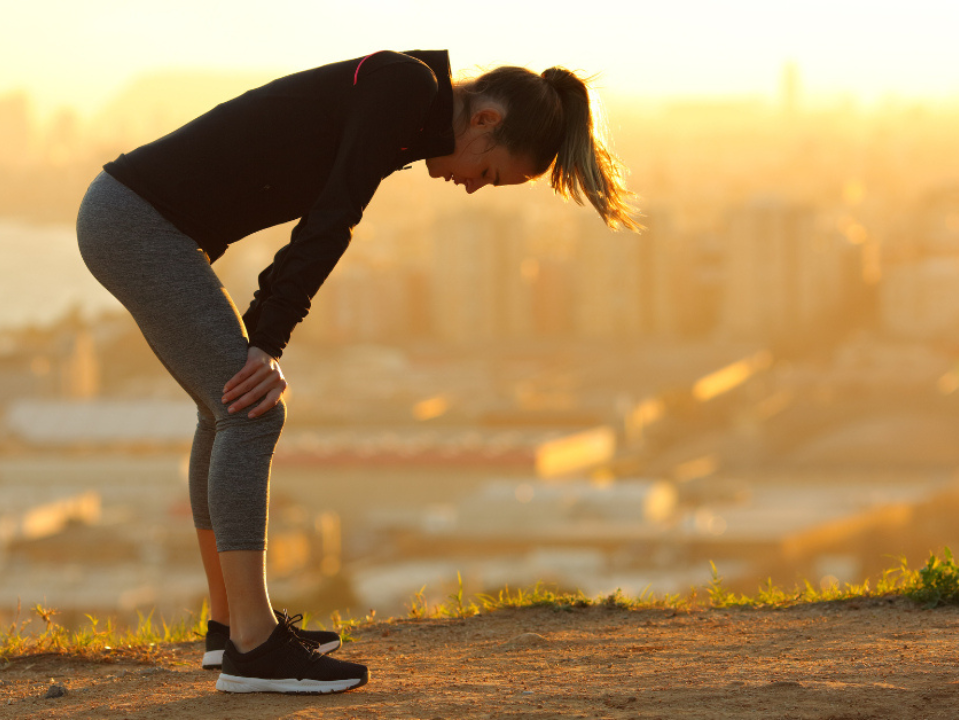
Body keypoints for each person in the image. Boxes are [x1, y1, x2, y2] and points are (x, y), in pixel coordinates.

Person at [75, 48, 639, 695]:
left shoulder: (405, 99)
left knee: (224, 405)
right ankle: (252, 648)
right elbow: (333, 216)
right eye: (489, 172)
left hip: (135, 218)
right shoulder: (404, 88)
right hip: (139, 224)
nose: (475, 187)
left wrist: (260, 336)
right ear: (485, 118)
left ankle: (230, 627)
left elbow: (322, 207)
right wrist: (265, 341)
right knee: (251, 409)